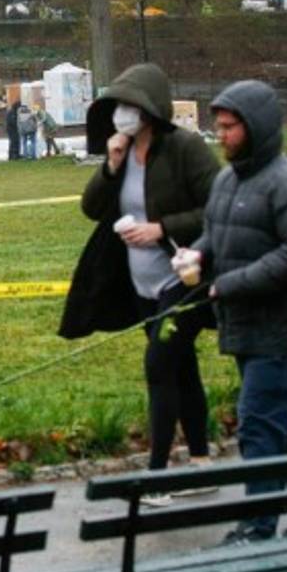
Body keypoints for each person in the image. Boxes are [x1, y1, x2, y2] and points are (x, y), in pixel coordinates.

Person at [177, 79, 287, 544]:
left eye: (229, 128)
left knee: (260, 424)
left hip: (285, 331)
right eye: (218, 127)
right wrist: (198, 256)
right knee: (285, 425)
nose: (220, 136)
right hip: (246, 326)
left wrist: (229, 284)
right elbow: (217, 233)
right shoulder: (228, 180)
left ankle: (257, 524)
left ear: (256, 128)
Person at [60, 63, 221, 499]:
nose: (122, 115)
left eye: (130, 106)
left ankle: (158, 476)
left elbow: (220, 207)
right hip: (141, 284)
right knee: (181, 369)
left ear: (151, 110)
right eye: (118, 107)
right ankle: (202, 464)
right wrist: (111, 165)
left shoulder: (185, 148)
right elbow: (92, 208)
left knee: (158, 368)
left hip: (183, 279)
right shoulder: (123, 152)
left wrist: (161, 227)